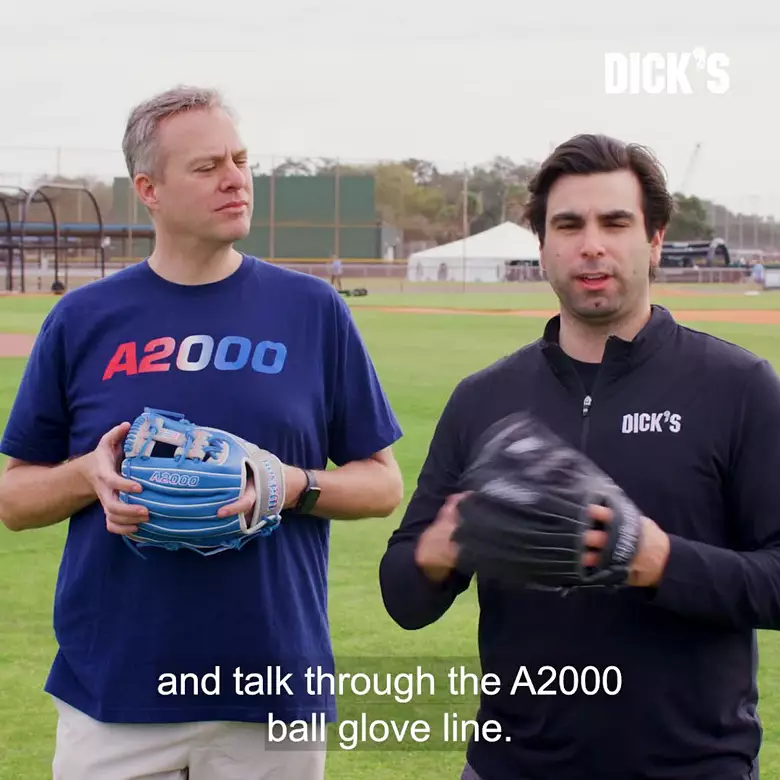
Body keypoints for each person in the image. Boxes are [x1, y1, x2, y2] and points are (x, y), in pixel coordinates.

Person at [0, 85, 404, 780]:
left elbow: (383, 484)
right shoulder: (84, 318)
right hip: (115, 696)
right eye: (207, 166)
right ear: (149, 190)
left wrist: (287, 486)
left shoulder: (311, 310)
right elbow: (14, 500)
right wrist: (87, 476)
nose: (235, 179)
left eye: (241, 160)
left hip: (270, 691)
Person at [378, 133, 780, 780]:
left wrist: (661, 561)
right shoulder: (484, 399)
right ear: (543, 246)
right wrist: (439, 548)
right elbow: (404, 598)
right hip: (512, 766)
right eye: (568, 225)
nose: (591, 244)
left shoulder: (737, 387)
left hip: (692, 767)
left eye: (615, 223)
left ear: (654, 239)